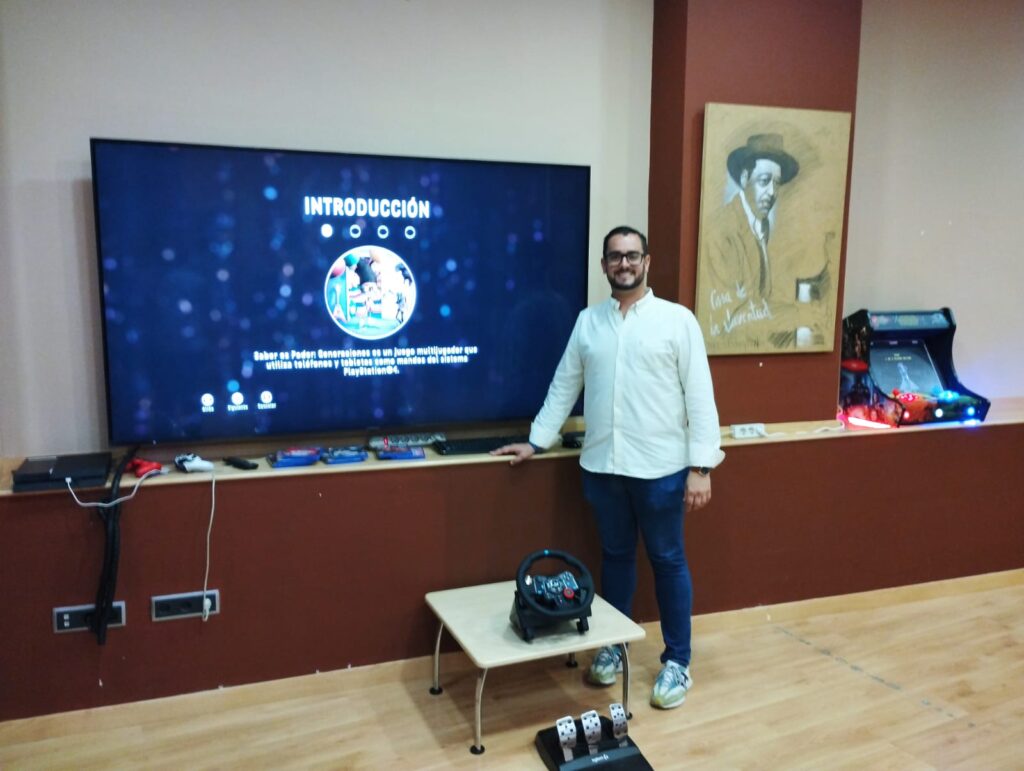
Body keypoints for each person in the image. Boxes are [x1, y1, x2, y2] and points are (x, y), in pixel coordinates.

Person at [492, 225, 724, 710]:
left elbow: (700, 397)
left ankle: (678, 662)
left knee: (668, 561)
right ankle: (614, 647)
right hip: (602, 468)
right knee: (615, 559)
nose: (624, 264)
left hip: (662, 470)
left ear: (646, 262)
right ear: (604, 266)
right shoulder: (588, 323)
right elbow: (564, 385)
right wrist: (536, 440)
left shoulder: (677, 321)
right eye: (615, 256)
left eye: (632, 255)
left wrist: (701, 467)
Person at [699, 133, 828, 351]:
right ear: (744, 178)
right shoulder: (723, 230)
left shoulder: (760, 225)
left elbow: (763, 298)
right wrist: (799, 314)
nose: (772, 192)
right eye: (764, 181)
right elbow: (736, 313)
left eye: (776, 183)